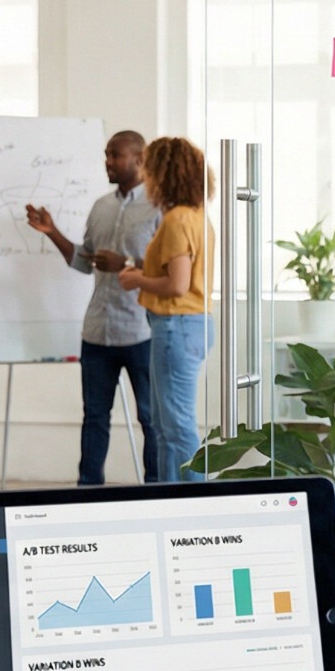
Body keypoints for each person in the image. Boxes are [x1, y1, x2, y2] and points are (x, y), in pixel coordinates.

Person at [26, 131, 163, 485]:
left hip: (141, 332)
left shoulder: (159, 207)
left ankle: (157, 492)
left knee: (150, 419)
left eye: (115, 155)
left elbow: (171, 270)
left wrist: (127, 262)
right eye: (106, 155)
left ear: (139, 158)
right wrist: (52, 231)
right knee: (94, 418)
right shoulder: (101, 206)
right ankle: (87, 492)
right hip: (97, 332)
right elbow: (86, 261)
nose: (108, 162)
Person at [118, 137, 211, 484]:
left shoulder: (176, 220)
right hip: (190, 325)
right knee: (167, 424)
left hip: (176, 326)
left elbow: (176, 285)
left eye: (149, 168)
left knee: (175, 427)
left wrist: (136, 279)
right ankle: (172, 498)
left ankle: (188, 503)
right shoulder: (197, 215)